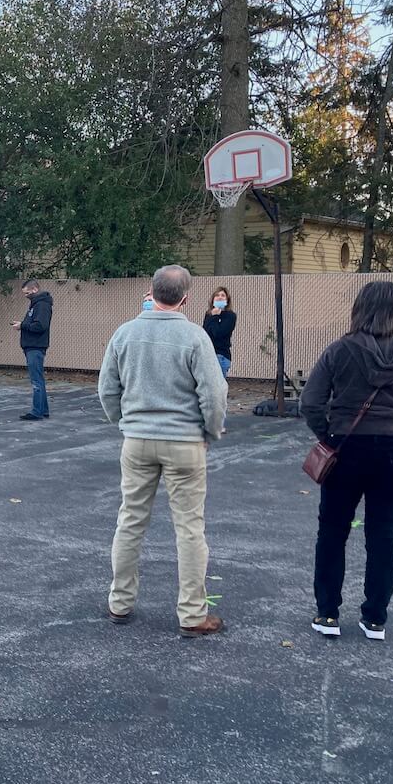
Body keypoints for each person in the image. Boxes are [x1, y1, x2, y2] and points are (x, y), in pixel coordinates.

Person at [300, 281, 393, 641]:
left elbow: (310, 403)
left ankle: (328, 613)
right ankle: (375, 617)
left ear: (359, 308)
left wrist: (327, 436)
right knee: (384, 534)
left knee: (332, 531)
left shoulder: (339, 351)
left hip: (346, 448)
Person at [98, 265, 228, 638]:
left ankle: (119, 602)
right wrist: (210, 430)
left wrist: (124, 422)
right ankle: (192, 613)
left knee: (130, 520)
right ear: (186, 298)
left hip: (137, 440)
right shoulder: (194, 336)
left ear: (150, 293)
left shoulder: (124, 333)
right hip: (185, 442)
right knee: (189, 528)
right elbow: (214, 394)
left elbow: (107, 389)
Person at [12, 280, 52, 421]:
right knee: (38, 379)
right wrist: (23, 325)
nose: (26, 296)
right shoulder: (37, 304)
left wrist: (22, 325)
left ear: (34, 289)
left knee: (36, 381)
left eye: (27, 293)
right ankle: (43, 409)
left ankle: (37, 412)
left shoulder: (41, 306)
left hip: (35, 346)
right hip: (32, 346)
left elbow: (40, 326)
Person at [203, 286, 237, 432]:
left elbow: (219, 333)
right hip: (208, 354)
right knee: (207, 390)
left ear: (227, 299)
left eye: (223, 296)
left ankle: (218, 423)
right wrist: (212, 316)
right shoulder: (208, 314)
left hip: (221, 355)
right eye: (217, 296)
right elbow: (205, 332)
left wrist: (216, 317)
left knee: (218, 390)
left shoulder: (230, 316)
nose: (220, 298)